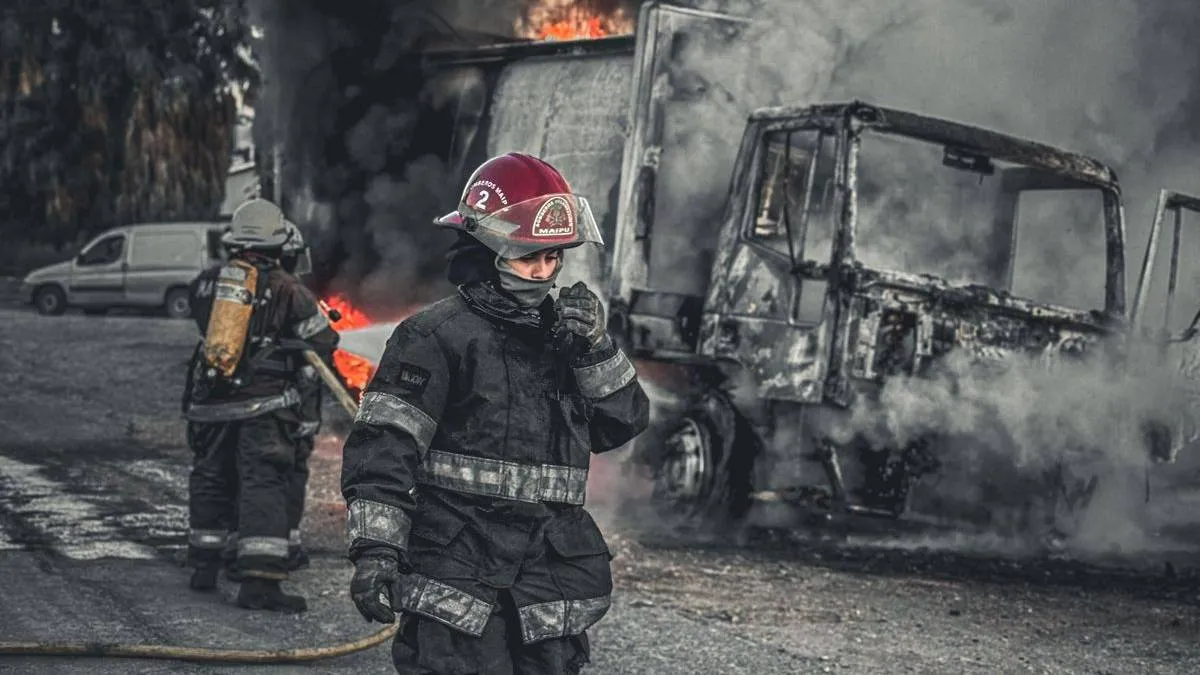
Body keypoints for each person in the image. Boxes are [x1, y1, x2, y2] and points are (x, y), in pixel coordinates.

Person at [341, 152, 649, 674]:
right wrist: (376, 552)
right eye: (530, 257)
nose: (544, 272)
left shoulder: (569, 337)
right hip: (458, 576)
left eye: (554, 259)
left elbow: (619, 425)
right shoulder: (435, 338)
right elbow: (384, 454)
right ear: (485, 250)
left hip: (547, 579)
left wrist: (595, 349)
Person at [183, 199, 338, 612]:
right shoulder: (289, 288)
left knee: (212, 478)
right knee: (263, 482)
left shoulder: (205, 281)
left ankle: (203, 563)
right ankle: (260, 582)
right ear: (277, 244)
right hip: (263, 407)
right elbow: (323, 341)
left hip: (210, 405)